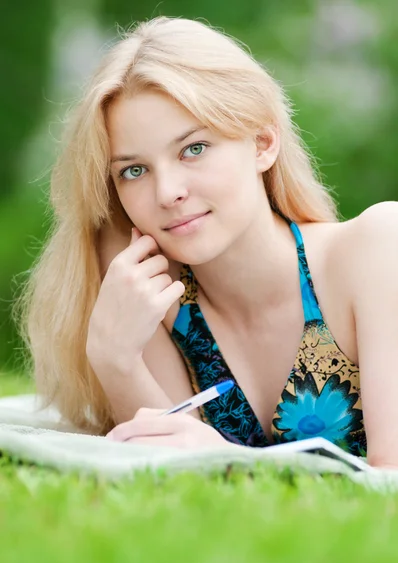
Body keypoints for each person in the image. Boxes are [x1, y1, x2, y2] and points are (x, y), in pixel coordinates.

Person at [15, 16, 398, 468]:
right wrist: (115, 359)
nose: (166, 192)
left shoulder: (376, 248)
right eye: (133, 170)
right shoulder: (151, 287)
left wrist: (226, 455)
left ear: (262, 143)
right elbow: (177, 481)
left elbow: (389, 481)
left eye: (193, 148)